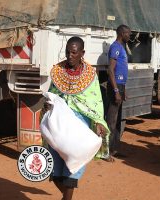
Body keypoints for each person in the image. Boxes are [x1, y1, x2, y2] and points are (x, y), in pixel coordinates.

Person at [42, 36, 110, 200]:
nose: (69, 55)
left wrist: (98, 122)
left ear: (82, 53)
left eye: (73, 52)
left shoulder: (90, 74)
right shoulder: (58, 72)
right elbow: (52, 96)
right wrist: (48, 105)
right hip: (58, 126)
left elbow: (95, 102)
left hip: (79, 126)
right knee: (56, 173)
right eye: (67, 52)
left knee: (73, 167)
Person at [106, 24, 131, 158]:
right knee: (111, 120)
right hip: (115, 88)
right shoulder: (115, 47)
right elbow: (111, 70)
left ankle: (114, 149)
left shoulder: (122, 48)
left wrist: (123, 90)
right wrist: (116, 90)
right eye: (128, 33)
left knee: (117, 120)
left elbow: (121, 71)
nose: (130, 36)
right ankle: (107, 152)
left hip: (120, 87)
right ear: (122, 33)